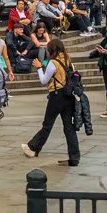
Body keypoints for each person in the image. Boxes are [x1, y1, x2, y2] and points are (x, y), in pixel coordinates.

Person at [22, 38, 82, 167]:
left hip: (56, 96)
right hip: (68, 96)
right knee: (69, 128)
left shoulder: (53, 62)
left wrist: (39, 68)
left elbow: (44, 80)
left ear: (51, 50)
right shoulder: (67, 60)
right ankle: (74, 157)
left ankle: (33, 147)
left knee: (47, 124)